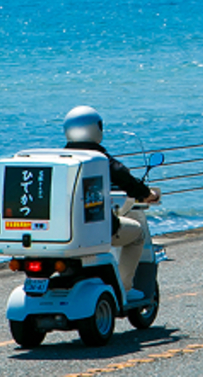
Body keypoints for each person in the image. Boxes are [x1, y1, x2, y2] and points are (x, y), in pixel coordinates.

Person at [62, 105, 161, 299]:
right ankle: (124, 289)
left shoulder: (61, 158)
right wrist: (148, 194)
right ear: (96, 128)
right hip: (92, 228)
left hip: (60, 231)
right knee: (137, 233)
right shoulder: (99, 159)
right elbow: (127, 181)